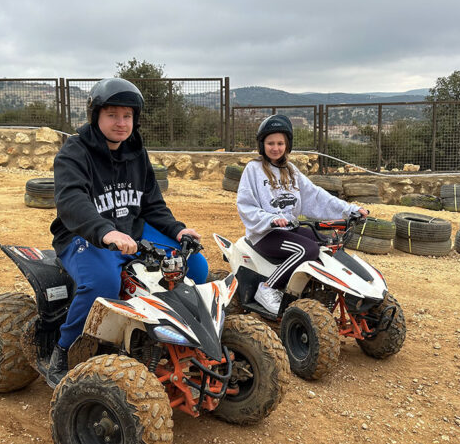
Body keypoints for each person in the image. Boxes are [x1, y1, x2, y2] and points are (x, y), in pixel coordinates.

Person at [48, 78, 208, 387]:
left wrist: (177, 230)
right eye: (112, 115)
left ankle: (172, 337)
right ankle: (63, 349)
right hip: (82, 233)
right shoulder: (74, 152)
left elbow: (151, 204)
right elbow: (71, 202)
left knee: (196, 265)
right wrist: (105, 232)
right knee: (104, 282)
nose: (121, 123)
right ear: (96, 116)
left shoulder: (136, 151)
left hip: (131, 229)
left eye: (127, 116)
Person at [236, 114, 367, 314]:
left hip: (290, 229)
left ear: (287, 145)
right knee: (307, 250)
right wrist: (270, 219)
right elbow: (245, 205)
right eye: (270, 143)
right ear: (262, 145)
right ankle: (267, 288)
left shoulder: (291, 170)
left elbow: (316, 196)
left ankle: (317, 292)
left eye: (280, 143)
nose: (275, 147)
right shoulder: (253, 169)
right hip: (265, 233)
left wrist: (350, 209)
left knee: (328, 245)